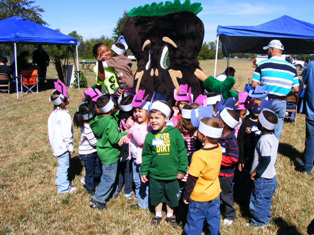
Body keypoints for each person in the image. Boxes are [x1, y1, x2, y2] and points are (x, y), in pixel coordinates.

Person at [140, 100, 188, 226]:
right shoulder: (150, 136)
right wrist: (144, 171)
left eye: (157, 118)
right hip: (155, 174)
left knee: (172, 196)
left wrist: (182, 170)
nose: (153, 121)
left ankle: (170, 215)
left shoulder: (175, 133)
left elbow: (182, 152)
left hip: (172, 174)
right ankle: (158, 214)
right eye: (151, 118)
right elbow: (146, 155)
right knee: (156, 196)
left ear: (166, 118)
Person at [183, 117, 224, 235]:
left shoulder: (198, 156)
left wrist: (186, 195)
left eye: (198, 131)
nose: (196, 133)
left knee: (194, 222)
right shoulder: (218, 148)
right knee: (214, 219)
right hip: (214, 194)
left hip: (199, 197)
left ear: (204, 136)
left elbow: (192, 178)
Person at [251, 39, 299, 139]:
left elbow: (254, 84)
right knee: (277, 130)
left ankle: (261, 148)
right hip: (281, 101)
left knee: (263, 127)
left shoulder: (262, 64)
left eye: (268, 50)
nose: (267, 51)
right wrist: (285, 92)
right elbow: (296, 88)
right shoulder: (292, 68)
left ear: (272, 50)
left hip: (266, 100)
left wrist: (265, 88)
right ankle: (273, 150)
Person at [89, 95, 127, 210]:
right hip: (110, 154)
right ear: (111, 108)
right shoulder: (111, 122)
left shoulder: (98, 120)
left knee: (106, 175)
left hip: (103, 152)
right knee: (108, 178)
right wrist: (126, 132)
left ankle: (103, 195)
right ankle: (97, 199)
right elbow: (114, 139)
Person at [119, 92, 151, 208]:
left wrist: (132, 127)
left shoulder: (148, 127)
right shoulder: (136, 124)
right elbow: (132, 138)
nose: (137, 114)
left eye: (140, 111)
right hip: (133, 158)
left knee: (143, 182)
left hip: (143, 160)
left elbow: (142, 141)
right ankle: (140, 200)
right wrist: (125, 139)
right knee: (137, 181)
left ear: (147, 112)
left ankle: (144, 204)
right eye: (135, 111)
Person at [248, 108, 279, 227]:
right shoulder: (273, 138)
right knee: (265, 201)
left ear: (262, 125)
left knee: (258, 201)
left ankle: (259, 223)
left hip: (263, 178)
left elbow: (266, 159)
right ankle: (265, 219)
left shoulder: (264, 140)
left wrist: (256, 172)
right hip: (271, 176)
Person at [48, 89, 76, 194]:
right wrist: (70, 147)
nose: (68, 98)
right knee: (64, 166)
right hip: (62, 146)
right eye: (67, 97)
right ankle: (63, 188)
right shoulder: (64, 116)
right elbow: (66, 134)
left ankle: (59, 180)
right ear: (62, 101)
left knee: (61, 164)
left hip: (56, 144)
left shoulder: (53, 114)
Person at [218, 108, 240, 226]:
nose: (217, 119)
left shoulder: (231, 141)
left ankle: (229, 214)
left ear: (225, 124)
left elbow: (233, 159)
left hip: (225, 175)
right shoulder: (217, 135)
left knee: (226, 194)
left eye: (219, 119)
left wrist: (217, 158)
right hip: (215, 172)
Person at [73, 102, 101, 195]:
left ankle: (94, 183)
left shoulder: (86, 124)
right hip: (87, 154)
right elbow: (94, 142)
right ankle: (90, 190)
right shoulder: (87, 128)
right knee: (90, 172)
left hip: (93, 152)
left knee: (97, 170)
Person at [114, 94, 134, 200]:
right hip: (126, 147)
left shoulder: (122, 117)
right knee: (127, 169)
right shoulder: (129, 119)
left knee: (124, 168)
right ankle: (127, 190)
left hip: (125, 148)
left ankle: (121, 188)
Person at [300, 61, 314, 176]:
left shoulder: (311, 65)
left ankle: (307, 166)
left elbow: (304, 79)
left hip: (312, 111)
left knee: (310, 139)